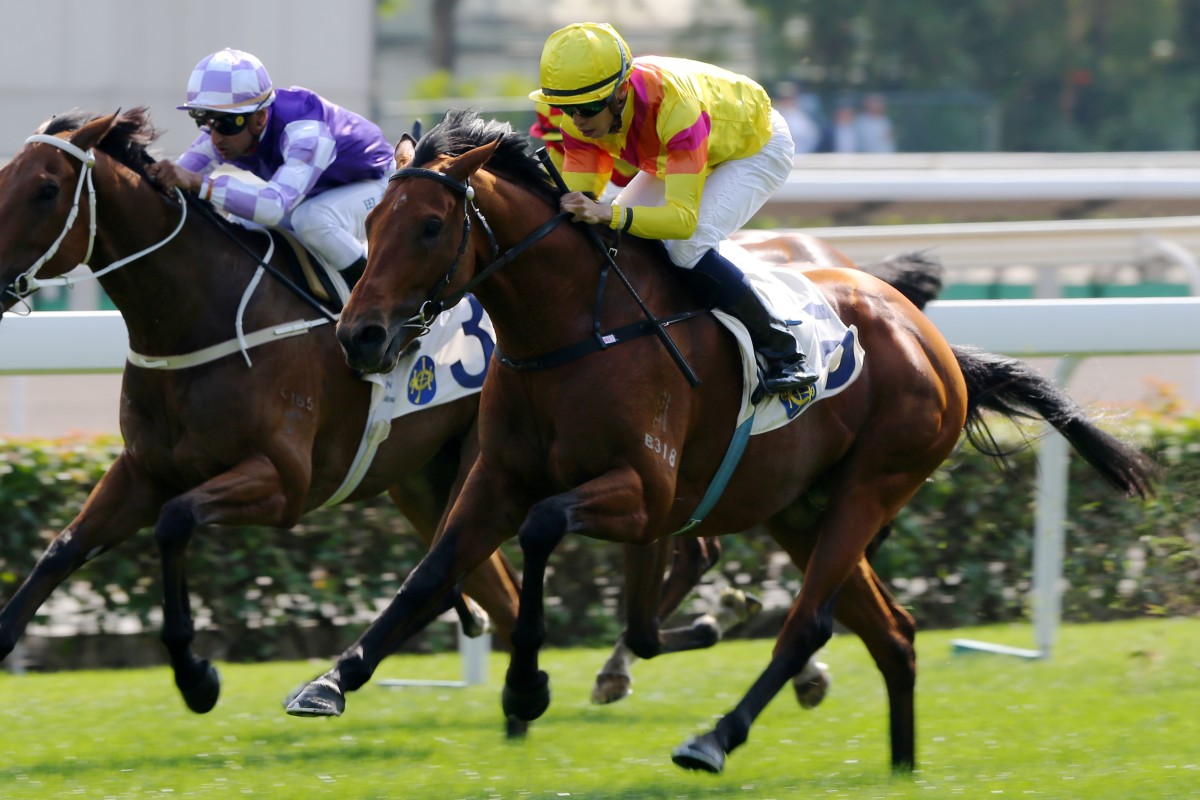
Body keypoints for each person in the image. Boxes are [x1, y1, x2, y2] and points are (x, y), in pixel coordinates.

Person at [527, 22, 817, 395]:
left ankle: (781, 351)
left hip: (754, 149)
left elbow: (681, 221)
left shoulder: (674, 107)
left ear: (619, 94)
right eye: (565, 109)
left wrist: (608, 213)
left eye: (585, 108)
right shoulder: (579, 120)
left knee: (686, 245)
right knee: (614, 234)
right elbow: (582, 199)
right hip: (676, 153)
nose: (577, 121)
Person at [147, 48, 394, 305]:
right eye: (205, 121)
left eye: (226, 123)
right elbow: (176, 176)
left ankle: (382, 299)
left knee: (312, 219)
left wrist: (201, 185)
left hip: (378, 185)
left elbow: (273, 208)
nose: (216, 136)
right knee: (243, 225)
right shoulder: (223, 135)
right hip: (316, 194)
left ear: (260, 117)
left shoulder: (306, 133)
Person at [774, 81, 821, 155]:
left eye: (789, 98)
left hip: (800, 157)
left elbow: (812, 138)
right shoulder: (772, 115)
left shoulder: (801, 118)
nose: (786, 101)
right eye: (783, 98)